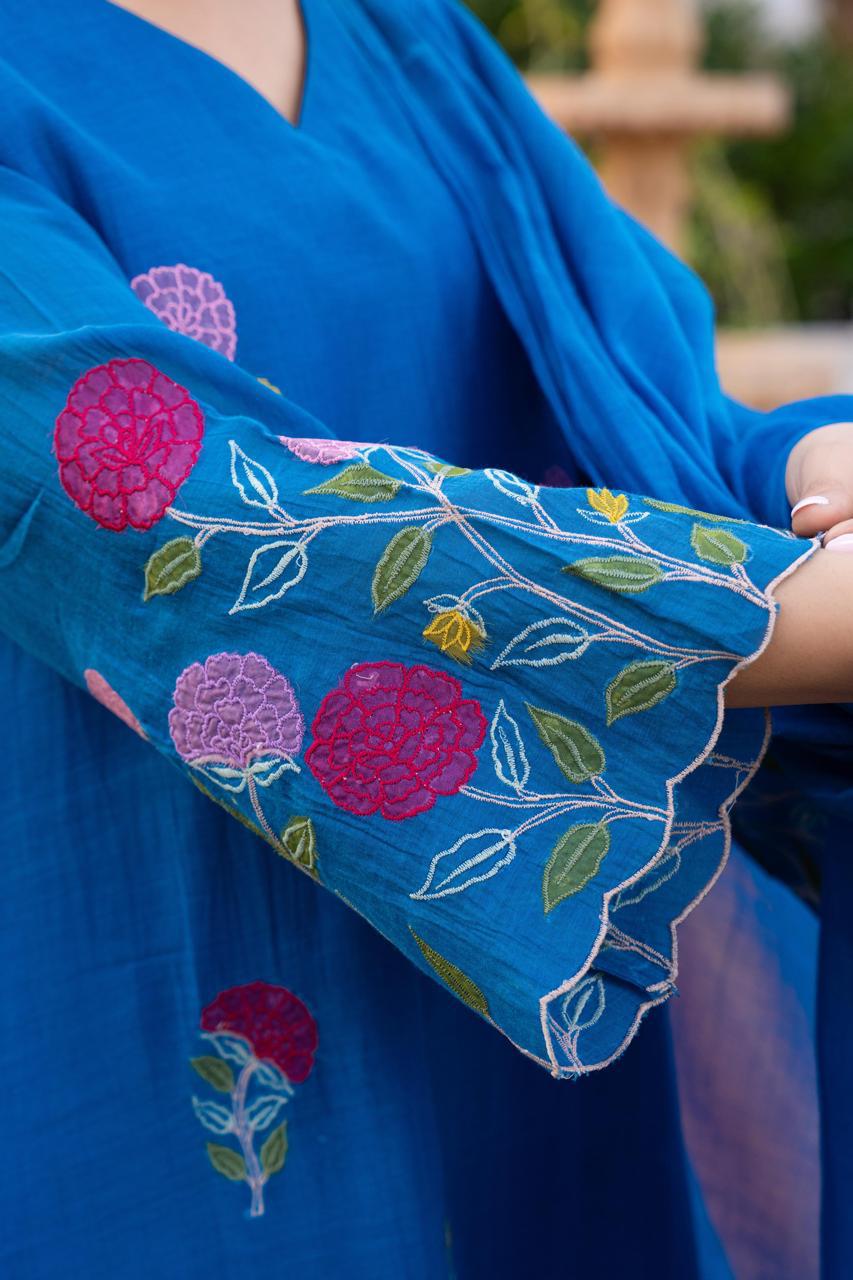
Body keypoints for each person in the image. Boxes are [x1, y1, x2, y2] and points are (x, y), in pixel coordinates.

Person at [0, 1, 850, 1275]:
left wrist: (805, 463)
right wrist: (787, 613)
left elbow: (631, 411)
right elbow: (183, 510)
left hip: (527, 974)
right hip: (177, 966)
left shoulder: (404, 32)